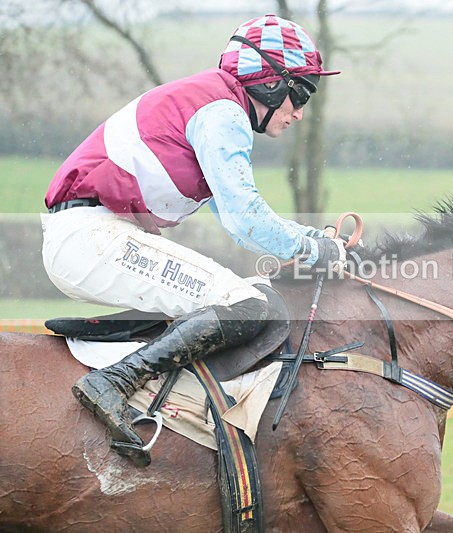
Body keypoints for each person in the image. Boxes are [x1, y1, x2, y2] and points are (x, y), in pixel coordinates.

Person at [41, 14, 345, 459]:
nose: (299, 112)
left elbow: (240, 219)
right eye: (299, 93)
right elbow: (246, 221)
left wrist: (310, 241)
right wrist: (317, 248)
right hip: (91, 237)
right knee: (249, 305)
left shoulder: (214, 104)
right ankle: (114, 381)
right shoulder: (222, 113)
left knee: (246, 296)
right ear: (268, 81)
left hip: (94, 234)